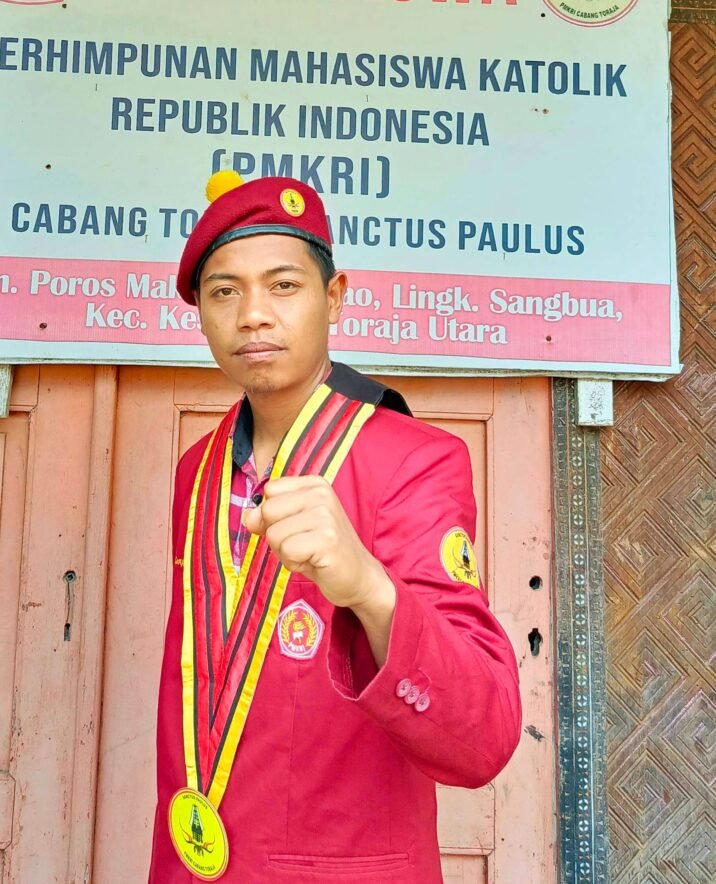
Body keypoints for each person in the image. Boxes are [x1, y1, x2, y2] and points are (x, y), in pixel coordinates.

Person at [148, 171, 521, 883]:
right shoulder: (197, 471)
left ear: (335, 297)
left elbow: (486, 739)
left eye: (283, 286)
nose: (252, 315)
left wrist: (369, 590)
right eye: (224, 292)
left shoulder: (414, 459)